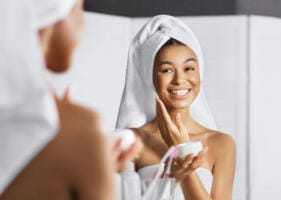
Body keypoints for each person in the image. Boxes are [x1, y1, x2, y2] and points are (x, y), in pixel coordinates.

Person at [0, 0, 141, 199]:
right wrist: (95, 167)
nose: (83, 22)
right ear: (52, 14)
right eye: (79, 8)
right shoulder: (83, 130)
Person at [117, 15, 236, 199]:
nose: (180, 80)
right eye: (167, 70)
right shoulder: (131, 141)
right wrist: (171, 174)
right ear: (150, 76)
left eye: (189, 68)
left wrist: (182, 150)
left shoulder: (221, 144)